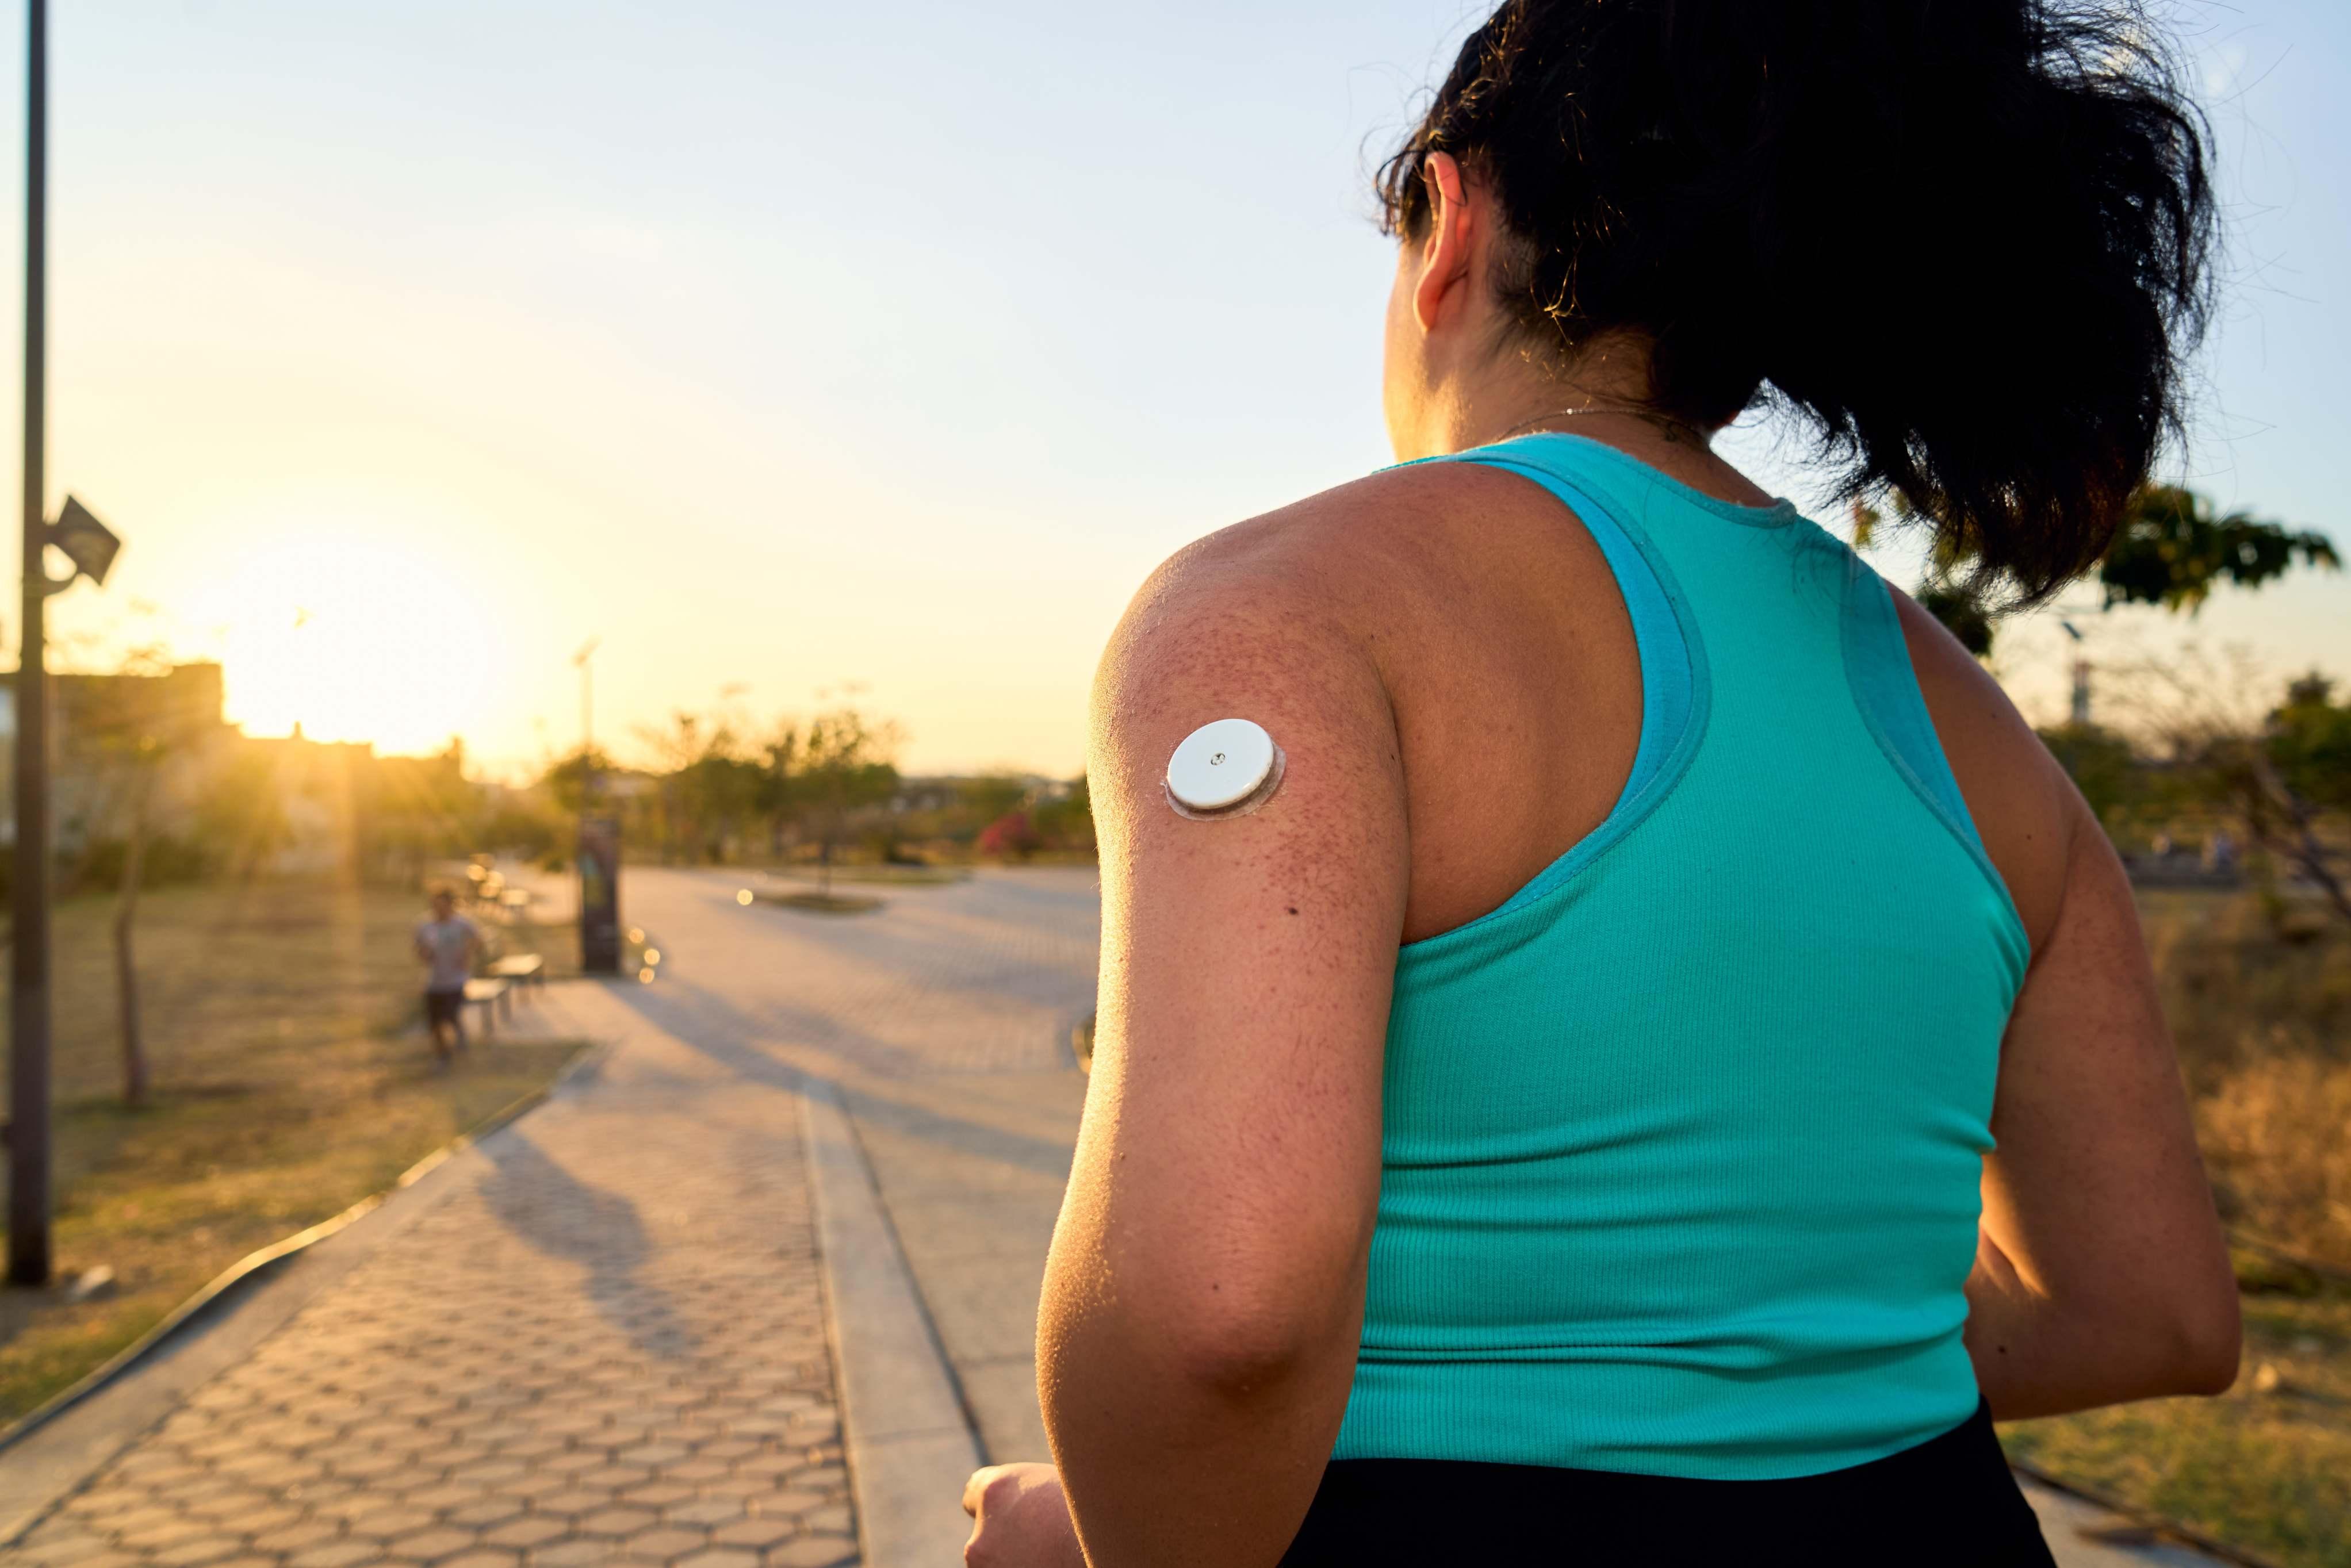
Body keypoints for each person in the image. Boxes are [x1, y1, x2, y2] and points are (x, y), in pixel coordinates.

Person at [961, 2, 2238, 1565]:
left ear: (1448, 219)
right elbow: (2149, 1306)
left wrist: (1097, 1542)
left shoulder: (1286, 612)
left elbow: (1217, 1313)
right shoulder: (1984, 744)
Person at [415, 887, 483, 1066]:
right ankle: (442, 1055)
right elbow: (418, 949)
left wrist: (467, 954)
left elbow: (478, 940)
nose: (440, 910)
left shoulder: (462, 924)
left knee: (451, 1015)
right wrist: (424, 954)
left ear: (451, 906)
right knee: (435, 1022)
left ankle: (459, 1036)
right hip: (434, 980)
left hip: (456, 979)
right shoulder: (425, 925)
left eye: (443, 906)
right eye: (436, 906)